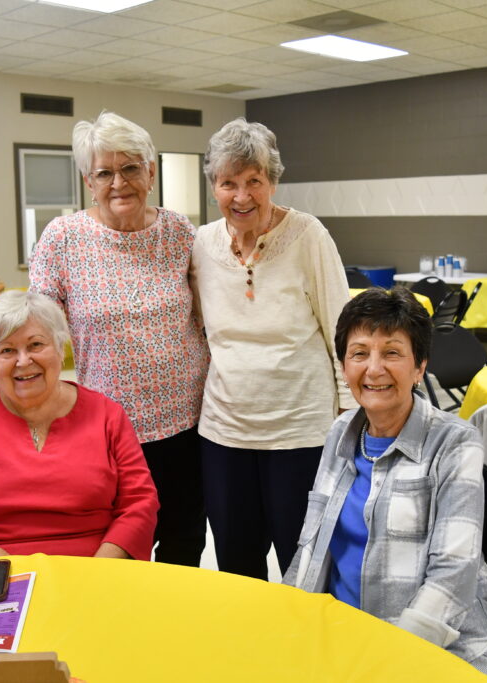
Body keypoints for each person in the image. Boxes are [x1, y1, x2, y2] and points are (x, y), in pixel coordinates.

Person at [285, 287, 487, 674]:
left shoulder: (455, 443)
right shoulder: (341, 432)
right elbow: (312, 544)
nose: (374, 369)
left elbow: (454, 574)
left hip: (427, 647)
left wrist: (385, 657)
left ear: (420, 367)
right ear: (345, 365)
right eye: (360, 353)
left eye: (393, 353)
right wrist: (288, 621)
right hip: (342, 634)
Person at [29, 111, 208, 567]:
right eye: (104, 172)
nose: (118, 182)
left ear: (151, 172)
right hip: (107, 431)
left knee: (184, 542)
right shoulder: (63, 238)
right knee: (118, 549)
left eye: (130, 168)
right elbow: (37, 332)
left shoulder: (180, 233)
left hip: (188, 425)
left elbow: (210, 316)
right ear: (89, 181)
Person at [190, 117, 355, 580]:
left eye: (253, 182)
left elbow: (343, 332)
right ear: (214, 187)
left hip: (299, 434)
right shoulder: (202, 244)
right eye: (228, 184)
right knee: (237, 567)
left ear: (273, 181)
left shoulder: (308, 237)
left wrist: (348, 417)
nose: (241, 197)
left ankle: (307, 651)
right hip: (224, 435)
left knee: (304, 565)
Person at [0, 290, 158, 561]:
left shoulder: (107, 415)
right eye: (7, 350)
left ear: (59, 346)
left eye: (35, 345)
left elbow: (139, 504)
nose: (23, 361)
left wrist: (98, 572)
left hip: (94, 568)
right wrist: (5, 568)